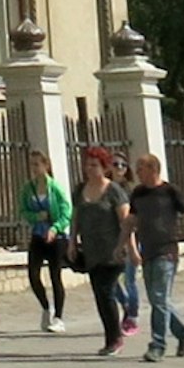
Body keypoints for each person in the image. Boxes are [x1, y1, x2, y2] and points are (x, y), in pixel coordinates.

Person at [126, 152, 184, 358]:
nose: (137, 172)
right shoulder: (138, 194)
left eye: (140, 168)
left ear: (153, 169)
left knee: (159, 299)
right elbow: (130, 221)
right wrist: (124, 246)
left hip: (167, 252)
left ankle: (157, 345)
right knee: (158, 300)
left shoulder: (170, 192)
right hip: (147, 252)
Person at [70, 147, 133, 352]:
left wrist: (131, 248)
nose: (89, 169)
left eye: (94, 165)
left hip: (112, 251)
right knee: (100, 295)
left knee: (106, 292)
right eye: (87, 164)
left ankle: (115, 339)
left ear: (104, 168)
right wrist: (72, 243)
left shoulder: (114, 190)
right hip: (91, 251)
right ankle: (110, 338)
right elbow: (76, 218)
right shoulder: (80, 190)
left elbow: (125, 221)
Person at [16, 151, 73, 334]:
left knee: (55, 276)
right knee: (33, 274)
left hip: (55, 238)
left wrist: (55, 228)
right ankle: (46, 308)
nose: (34, 169)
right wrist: (35, 216)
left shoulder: (54, 187)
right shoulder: (28, 188)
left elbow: (67, 212)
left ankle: (59, 317)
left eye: (37, 165)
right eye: (31, 165)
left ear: (46, 165)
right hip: (38, 235)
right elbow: (23, 210)